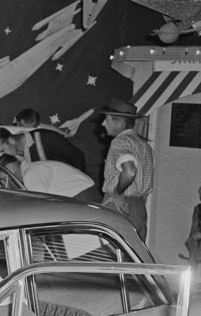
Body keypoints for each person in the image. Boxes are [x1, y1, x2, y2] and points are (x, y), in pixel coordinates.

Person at [99, 98, 154, 240]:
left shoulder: (120, 141)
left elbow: (129, 171)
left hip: (119, 206)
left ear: (119, 122)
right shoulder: (144, 145)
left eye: (107, 119)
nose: (103, 123)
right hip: (139, 209)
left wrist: (117, 194)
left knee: (109, 257)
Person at [13, 108, 87, 172]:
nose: (22, 129)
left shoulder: (46, 130)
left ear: (37, 125)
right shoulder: (16, 134)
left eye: (28, 128)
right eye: (19, 126)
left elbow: (67, 137)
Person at [183, 184, 201, 272]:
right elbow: (194, 224)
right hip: (197, 240)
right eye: (200, 193)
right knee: (193, 260)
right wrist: (190, 239)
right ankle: (191, 282)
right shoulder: (198, 208)